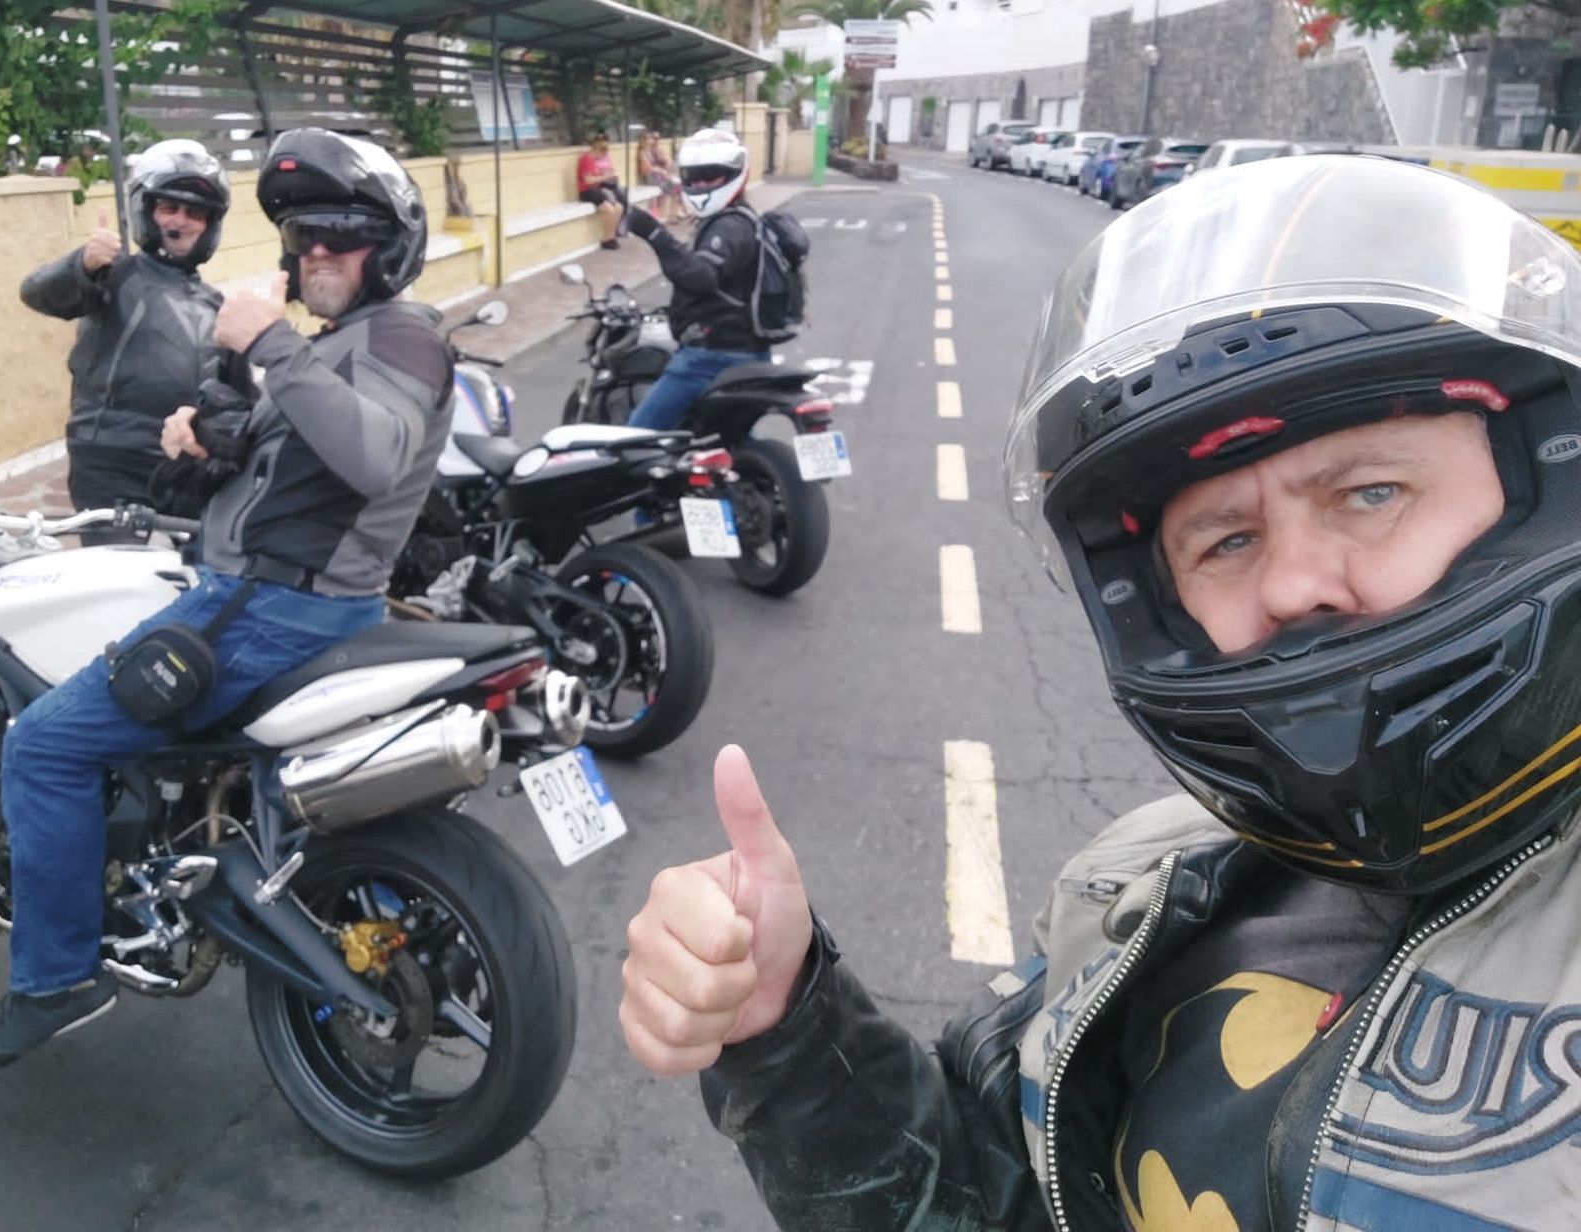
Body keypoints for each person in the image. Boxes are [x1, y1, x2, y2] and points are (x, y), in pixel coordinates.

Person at [618, 155, 1581, 1229]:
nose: (1298, 583)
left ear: (1542, 481)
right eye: (1226, 539)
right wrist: (789, 1032)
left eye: (1371, 492)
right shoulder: (1141, 890)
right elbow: (1001, 1202)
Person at [0, 128, 453, 1072]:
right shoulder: (343, 342)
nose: (315, 253)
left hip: (269, 606)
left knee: (44, 743)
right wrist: (213, 437)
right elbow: (295, 457)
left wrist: (265, 342)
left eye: (340, 235)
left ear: (389, 247)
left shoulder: (402, 334)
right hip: (262, 591)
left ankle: (53, 977)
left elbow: (377, 455)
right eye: (302, 237)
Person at [19, 139, 250, 544]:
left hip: (183, 465)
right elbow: (39, 293)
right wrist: (83, 264)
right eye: (168, 207)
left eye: (195, 212)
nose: (181, 219)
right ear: (148, 210)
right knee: (118, 582)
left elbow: (242, 402)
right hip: (110, 464)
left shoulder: (216, 306)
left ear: (210, 224)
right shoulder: (114, 276)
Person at [620, 127, 769, 431]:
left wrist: (653, 232)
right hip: (750, 349)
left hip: (711, 355)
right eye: (694, 177)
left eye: (711, 175)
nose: (700, 184)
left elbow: (701, 278)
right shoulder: (746, 220)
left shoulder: (728, 226)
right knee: (727, 439)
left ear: (735, 175)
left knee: (634, 438)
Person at [576, 130, 626, 250]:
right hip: (586, 191)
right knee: (609, 210)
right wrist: (605, 177)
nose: (603, 156)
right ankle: (606, 239)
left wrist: (606, 175)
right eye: (603, 153)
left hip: (596, 189)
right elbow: (588, 181)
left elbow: (597, 176)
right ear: (598, 150)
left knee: (619, 207)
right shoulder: (586, 159)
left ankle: (611, 236)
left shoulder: (592, 160)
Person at [637, 128, 684, 223]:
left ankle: (673, 214)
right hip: (648, 178)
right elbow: (647, 168)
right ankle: (667, 215)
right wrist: (661, 171)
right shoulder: (642, 153)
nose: (650, 141)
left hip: (656, 176)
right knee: (671, 185)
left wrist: (664, 170)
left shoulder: (651, 151)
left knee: (676, 186)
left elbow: (664, 161)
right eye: (648, 139)